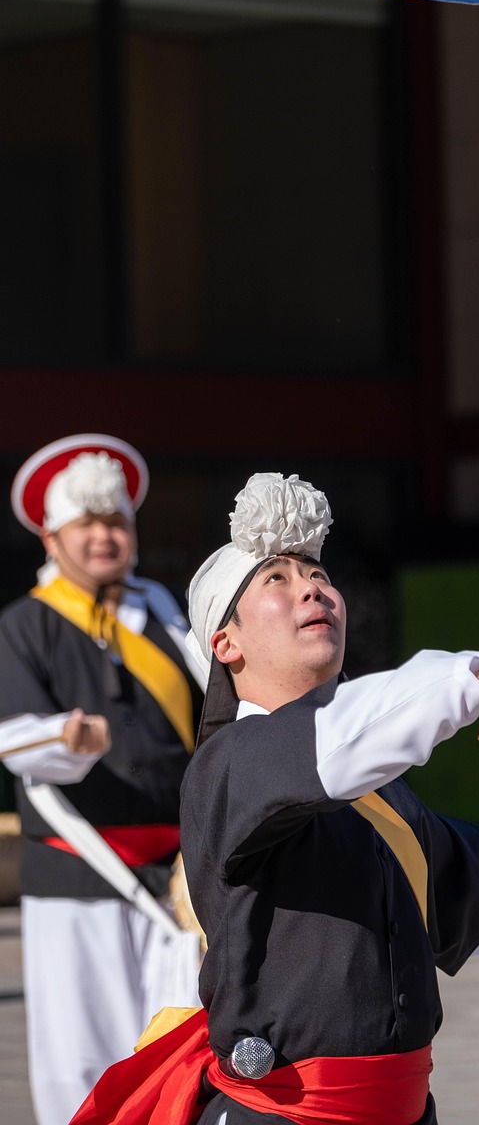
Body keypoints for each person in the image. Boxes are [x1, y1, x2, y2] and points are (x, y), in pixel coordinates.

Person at [71, 470, 479, 1125]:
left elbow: (467, 867)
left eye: (317, 575)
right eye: (276, 580)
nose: (311, 587)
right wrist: (476, 676)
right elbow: (328, 736)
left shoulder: (371, 786)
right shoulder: (231, 763)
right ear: (226, 643)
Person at [0, 434, 205, 1125]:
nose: (103, 536)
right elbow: (14, 740)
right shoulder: (24, 626)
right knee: (80, 1061)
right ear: (51, 537)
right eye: (86, 523)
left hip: (180, 879)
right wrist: (67, 744)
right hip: (78, 876)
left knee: (179, 1049)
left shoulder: (170, 617)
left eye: (115, 521)